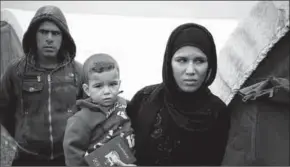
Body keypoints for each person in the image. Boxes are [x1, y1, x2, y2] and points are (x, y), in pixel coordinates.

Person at [127, 23, 231, 165]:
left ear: (210, 64)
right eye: (182, 60)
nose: (190, 70)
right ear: (169, 62)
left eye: (199, 61)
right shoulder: (144, 99)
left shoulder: (217, 113)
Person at [0, 5, 83, 166]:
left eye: (55, 33)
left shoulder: (78, 72)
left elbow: (90, 114)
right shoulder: (15, 71)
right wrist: (11, 143)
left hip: (68, 158)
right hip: (26, 159)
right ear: (34, 35)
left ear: (64, 37)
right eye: (44, 32)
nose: (49, 38)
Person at [63, 53, 135, 166]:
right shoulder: (80, 120)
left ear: (119, 84)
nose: (107, 91)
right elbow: (73, 155)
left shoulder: (126, 105)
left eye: (112, 84)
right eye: (98, 86)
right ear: (87, 90)